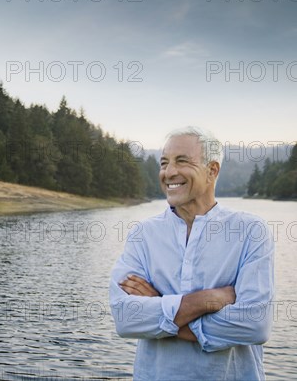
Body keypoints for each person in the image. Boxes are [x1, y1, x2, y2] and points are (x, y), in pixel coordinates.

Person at [109, 126, 275, 380]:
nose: (169, 172)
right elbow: (125, 318)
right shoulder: (143, 234)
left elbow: (254, 325)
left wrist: (159, 305)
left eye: (182, 161)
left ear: (212, 170)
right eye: (164, 163)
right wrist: (206, 300)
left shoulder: (250, 230)